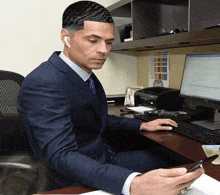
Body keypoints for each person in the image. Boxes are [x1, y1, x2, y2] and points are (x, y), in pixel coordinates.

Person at [17, 1, 204, 195]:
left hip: (101, 157)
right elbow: (62, 155)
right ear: (66, 38)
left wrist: (142, 125)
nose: (104, 50)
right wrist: (133, 184)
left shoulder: (83, 72)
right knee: (171, 165)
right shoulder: (44, 82)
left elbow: (97, 118)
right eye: (93, 40)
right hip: (73, 175)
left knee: (171, 161)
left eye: (108, 42)